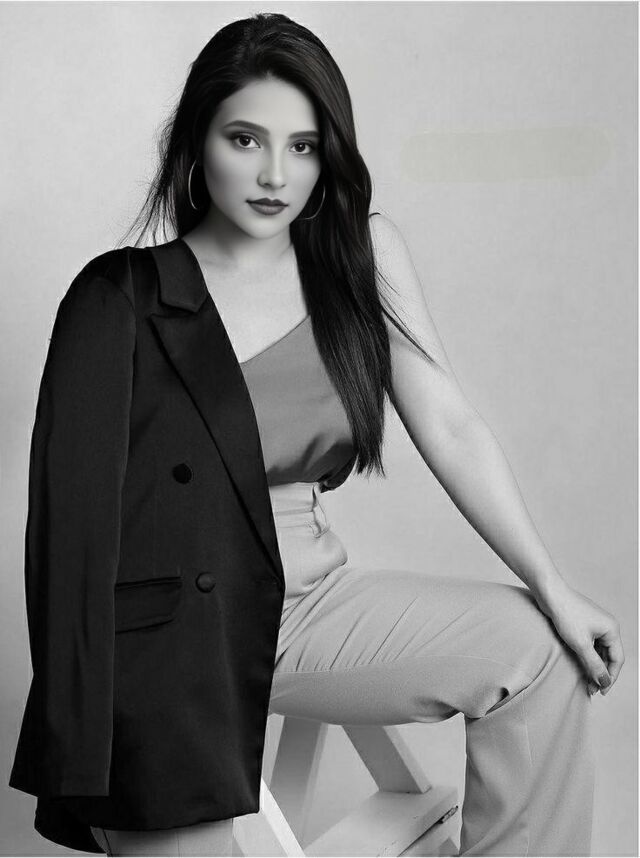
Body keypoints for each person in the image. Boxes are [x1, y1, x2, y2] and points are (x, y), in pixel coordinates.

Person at [12, 12, 623, 858]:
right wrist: (81, 748)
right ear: (196, 144)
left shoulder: (359, 257)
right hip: (172, 635)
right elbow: (70, 529)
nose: (275, 175)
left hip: (311, 601)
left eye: (302, 147)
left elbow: (449, 422)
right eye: (245, 139)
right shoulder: (119, 298)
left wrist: (551, 586)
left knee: (539, 653)